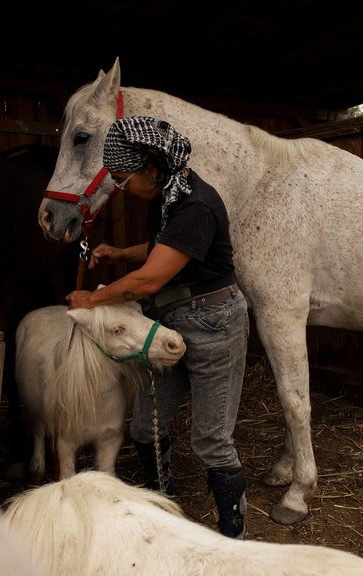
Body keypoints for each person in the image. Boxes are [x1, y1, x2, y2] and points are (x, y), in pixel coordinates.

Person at [65, 115, 250, 539]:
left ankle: (233, 536)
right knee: (145, 426)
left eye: (125, 180)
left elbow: (150, 280)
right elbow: (163, 249)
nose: (124, 190)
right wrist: (120, 253)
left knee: (211, 440)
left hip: (214, 324)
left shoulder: (195, 204)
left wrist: (93, 298)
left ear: (152, 169)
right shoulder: (170, 194)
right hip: (172, 320)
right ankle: (161, 504)